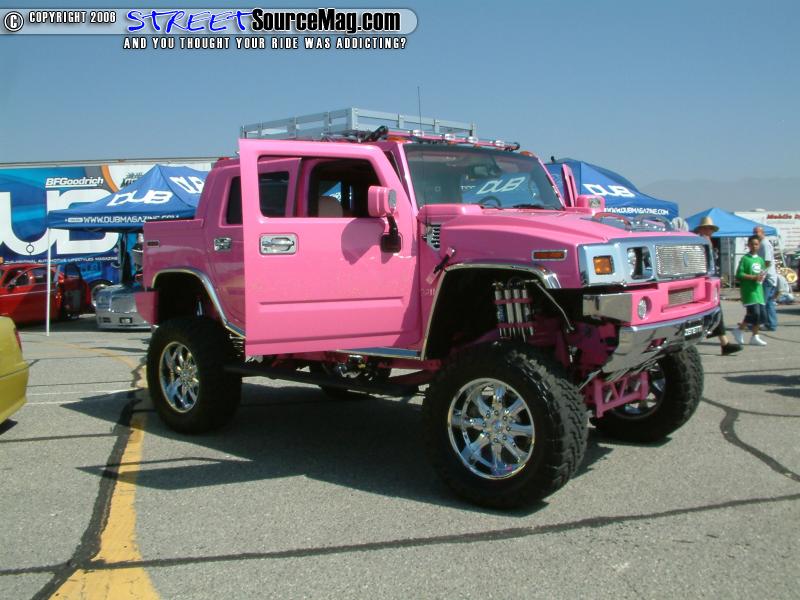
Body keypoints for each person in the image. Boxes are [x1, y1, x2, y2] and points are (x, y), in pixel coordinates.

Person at [693, 216, 741, 355]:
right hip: (704, 281)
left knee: (715, 311)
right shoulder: (701, 242)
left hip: (709, 281)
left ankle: (724, 343)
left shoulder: (706, 241)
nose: (711, 231)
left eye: (711, 229)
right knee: (712, 311)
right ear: (702, 229)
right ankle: (724, 343)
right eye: (708, 228)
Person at [733, 235, 768, 346]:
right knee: (754, 312)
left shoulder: (760, 260)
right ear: (748, 245)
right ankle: (740, 330)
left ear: (759, 245)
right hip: (749, 290)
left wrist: (762, 277)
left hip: (758, 290)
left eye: (756, 244)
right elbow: (739, 274)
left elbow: (762, 272)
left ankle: (754, 336)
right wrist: (753, 277)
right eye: (752, 244)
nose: (754, 246)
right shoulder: (745, 259)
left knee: (760, 314)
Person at [753, 226, 778, 331]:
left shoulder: (764, 244)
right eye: (754, 232)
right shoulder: (762, 243)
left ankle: (764, 322)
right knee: (769, 302)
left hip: (767, 277)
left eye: (757, 232)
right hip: (768, 277)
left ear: (762, 232)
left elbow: (767, 261)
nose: (755, 234)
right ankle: (771, 324)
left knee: (762, 301)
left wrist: (761, 275)